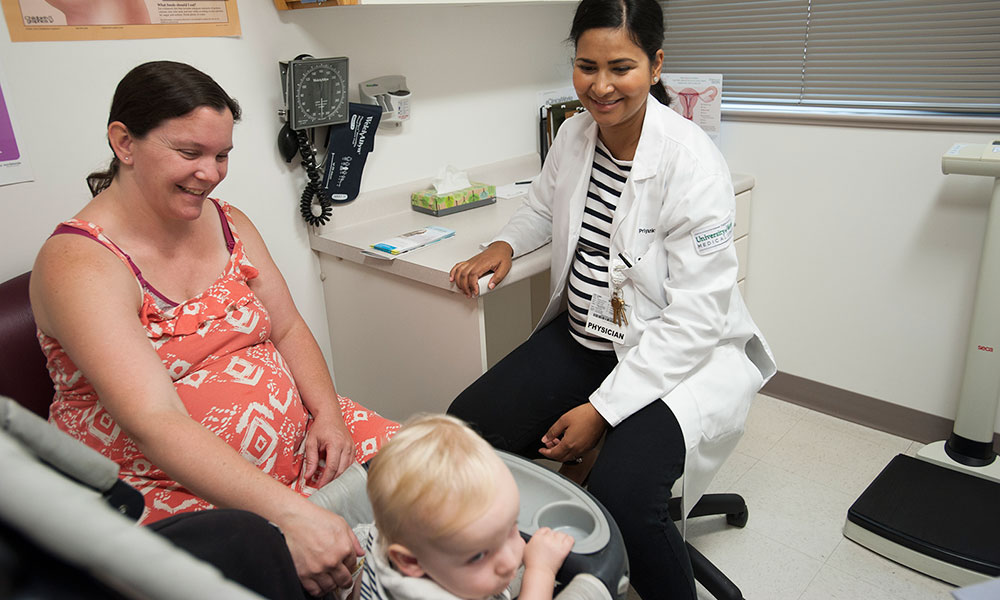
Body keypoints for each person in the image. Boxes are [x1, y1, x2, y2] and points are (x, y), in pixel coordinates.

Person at [29, 60, 399, 598]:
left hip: (300, 444)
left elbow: (289, 328)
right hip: (166, 484)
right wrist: (293, 515)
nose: (212, 172)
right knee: (263, 558)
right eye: (190, 153)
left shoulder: (228, 221)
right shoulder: (78, 263)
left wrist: (329, 415)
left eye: (222, 154)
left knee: (439, 478)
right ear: (124, 143)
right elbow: (152, 421)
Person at [447, 1, 776, 598]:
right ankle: (532, 572)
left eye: (620, 67)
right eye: (585, 65)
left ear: (655, 66)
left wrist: (602, 412)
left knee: (624, 500)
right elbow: (543, 208)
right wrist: (504, 243)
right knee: (463, 438)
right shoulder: (575, 134)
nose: (600, 86)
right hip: (586, 340)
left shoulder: (693, 164)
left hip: (673, 360)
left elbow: (697, 318)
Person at [359, 414, 575, 600]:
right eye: (479, 556)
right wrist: (541, 570)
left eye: (511, 528)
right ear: (410, 561)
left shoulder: (381, 534)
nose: (509, 562)